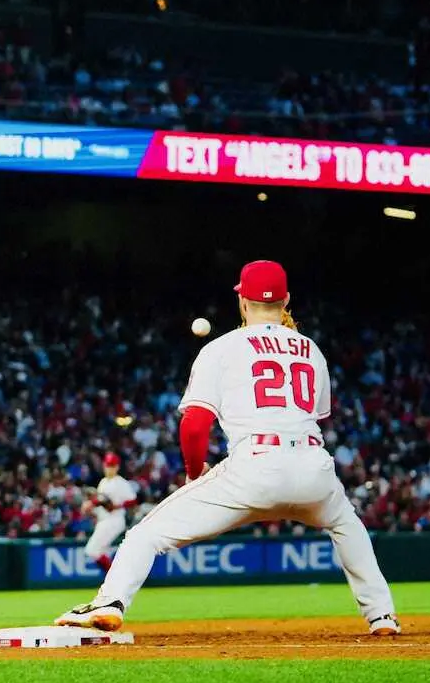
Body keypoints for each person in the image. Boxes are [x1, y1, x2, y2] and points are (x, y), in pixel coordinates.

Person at [55, 260, 400, 635]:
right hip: (313, 464)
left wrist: (193, 473)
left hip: (253, 467)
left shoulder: (222, 348)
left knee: (145, 533)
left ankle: (110, 602)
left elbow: (195, 423)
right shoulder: (310, 349)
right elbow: (316, 414)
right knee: (346, 524)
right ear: (286, 300)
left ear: (243, 302)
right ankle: (381, 615)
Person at [82, 452, 138, 573]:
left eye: (112, 466)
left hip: (114, 519)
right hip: (104, 519)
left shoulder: (120, 482)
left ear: (117, 467)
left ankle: (114, 579)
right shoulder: (103, 482)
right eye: (108, 465)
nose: (110, 469)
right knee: (98, 552)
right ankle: (115, 579)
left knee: (92, 550)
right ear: (104, 466)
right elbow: (101, 502)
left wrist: (118, 505)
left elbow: (133, 500)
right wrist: (91, 507)